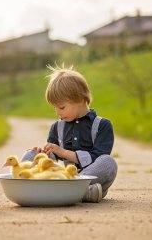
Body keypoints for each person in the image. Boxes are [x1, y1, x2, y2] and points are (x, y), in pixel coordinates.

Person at [21, 64, 118, 203]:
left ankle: (67, 191)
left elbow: (97, 157)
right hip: (63, 178)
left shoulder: (102, 125)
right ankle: (78, 194)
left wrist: (64, 153)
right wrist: (43, 155)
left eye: (61, 107)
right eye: (54, 108)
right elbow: (52, 158)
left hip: (87, 178)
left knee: (108, 162)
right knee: (31, 154)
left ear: (79, 99)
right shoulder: (57, 127)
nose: (57, 112)